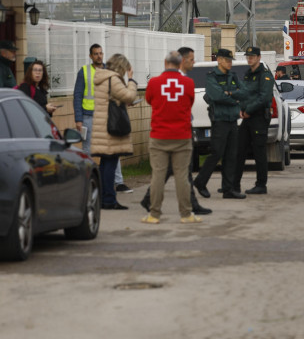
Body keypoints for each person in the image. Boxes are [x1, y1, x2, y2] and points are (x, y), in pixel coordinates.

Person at [141, 47, 211, 215]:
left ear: (165, 63)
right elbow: (189, 102)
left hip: (159, 134)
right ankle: (187, 211)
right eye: (191, 59)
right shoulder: (188, 83)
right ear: (181, 62)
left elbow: (150, 100)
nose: (193, 62)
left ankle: (154, 210)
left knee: (159, 175)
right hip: (181, 134)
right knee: (182, 175)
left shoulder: (154, 83)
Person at [73, 44, 131, 193]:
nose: (99, 56)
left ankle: (118, 182)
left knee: (113, 149)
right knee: (87, 150)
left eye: (100, 53)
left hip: (106, 116)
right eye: (95, 54)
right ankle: (88, 181)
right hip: (88, 116)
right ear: (90, 56)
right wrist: (78, 119)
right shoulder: (84, 72)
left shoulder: (109, 71)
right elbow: (78, 95)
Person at [195, 48, 246, 199]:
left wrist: (229, 94)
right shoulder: (212, 77)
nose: (230, 63)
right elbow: (216, 96)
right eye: (227, 60)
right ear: (219, 60)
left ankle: (228, 189)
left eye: (231, 60)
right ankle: (200, 181)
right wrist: (234, 98)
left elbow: (243, 92)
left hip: (232, 119)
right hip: (220, 119)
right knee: (217, 152)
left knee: (231, 155)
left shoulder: (233, 76)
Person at [90, 53, 138, 210]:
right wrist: (131, 80)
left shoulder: (101, 77)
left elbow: (112, 98)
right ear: (121, 67)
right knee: (110, 162)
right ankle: (109, 199)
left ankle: (103, 197)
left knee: (105, 163)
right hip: (111, 128)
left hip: (102, 125)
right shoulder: (113, 79)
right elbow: (129, 96)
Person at [234, 46, 274, 195]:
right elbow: (244, 93)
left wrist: (249, 110)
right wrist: (241, 108)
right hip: (247, 117)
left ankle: (261, 185)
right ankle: (234, 184)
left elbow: (264, 97)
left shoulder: (265, 75)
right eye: (248, 56)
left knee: (259, 152)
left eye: (252, 56)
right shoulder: (248, 74)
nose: (249, 58)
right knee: (239, 150)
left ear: (259, 57)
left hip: (258, 117)